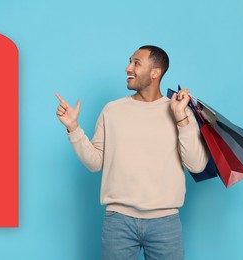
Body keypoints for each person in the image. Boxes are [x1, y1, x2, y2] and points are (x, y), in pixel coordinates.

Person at [55, 45, 209, 260]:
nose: (128, 68)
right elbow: (95, 163)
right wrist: (73, 128)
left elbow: (197, 165)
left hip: (165, 223)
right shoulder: (112, 110)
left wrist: (181, 117)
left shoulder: (178, 111)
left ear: (155, 73)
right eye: (130, 61)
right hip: (119, 222)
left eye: (137, 63)